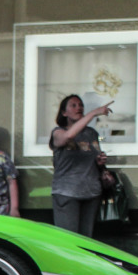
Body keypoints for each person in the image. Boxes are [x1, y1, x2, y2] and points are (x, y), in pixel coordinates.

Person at [49, 93, 113, 236]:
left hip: (91, 193)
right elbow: (67, 137)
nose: (79, 108)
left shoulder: (91, 133)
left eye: (81, 105)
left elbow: (94, 158)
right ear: (64, 112)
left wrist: (100, 162)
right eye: (74, 105)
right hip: (67, 193)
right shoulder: (58, 132)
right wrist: (94, 113)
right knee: (69, 240)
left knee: (87, 240)